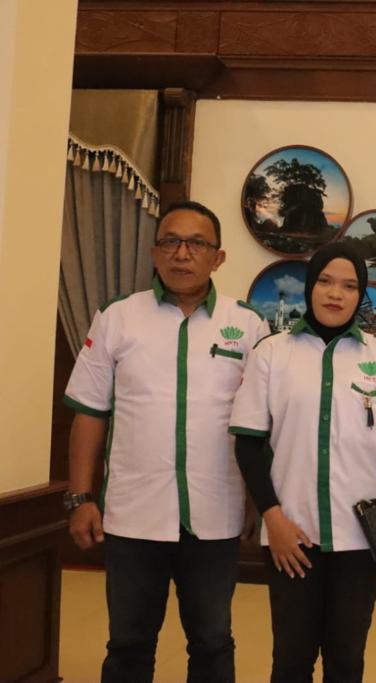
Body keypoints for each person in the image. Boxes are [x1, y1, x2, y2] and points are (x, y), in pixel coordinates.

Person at [63, 200, 269, 683]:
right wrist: (80, 497)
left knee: (213, 642)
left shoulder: (249, 326)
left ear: (218, 257)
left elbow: (261, 424)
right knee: (128, 643)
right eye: (170, 242)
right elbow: (89, 412)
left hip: (215, 514)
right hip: (133, 515)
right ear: (154, 253)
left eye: (196, 244)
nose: (182, 253)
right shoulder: (117, 318)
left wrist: (258, 499)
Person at [229, 242, 376, 683]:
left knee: (346, 660)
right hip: (291, 534)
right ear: (310, 286)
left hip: (361, 539)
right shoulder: (271, 352)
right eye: (325, 281)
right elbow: (247, 445)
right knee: (291, 660)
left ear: (361, 294)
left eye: (349, 286)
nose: (336, 294)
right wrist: (272, 518)